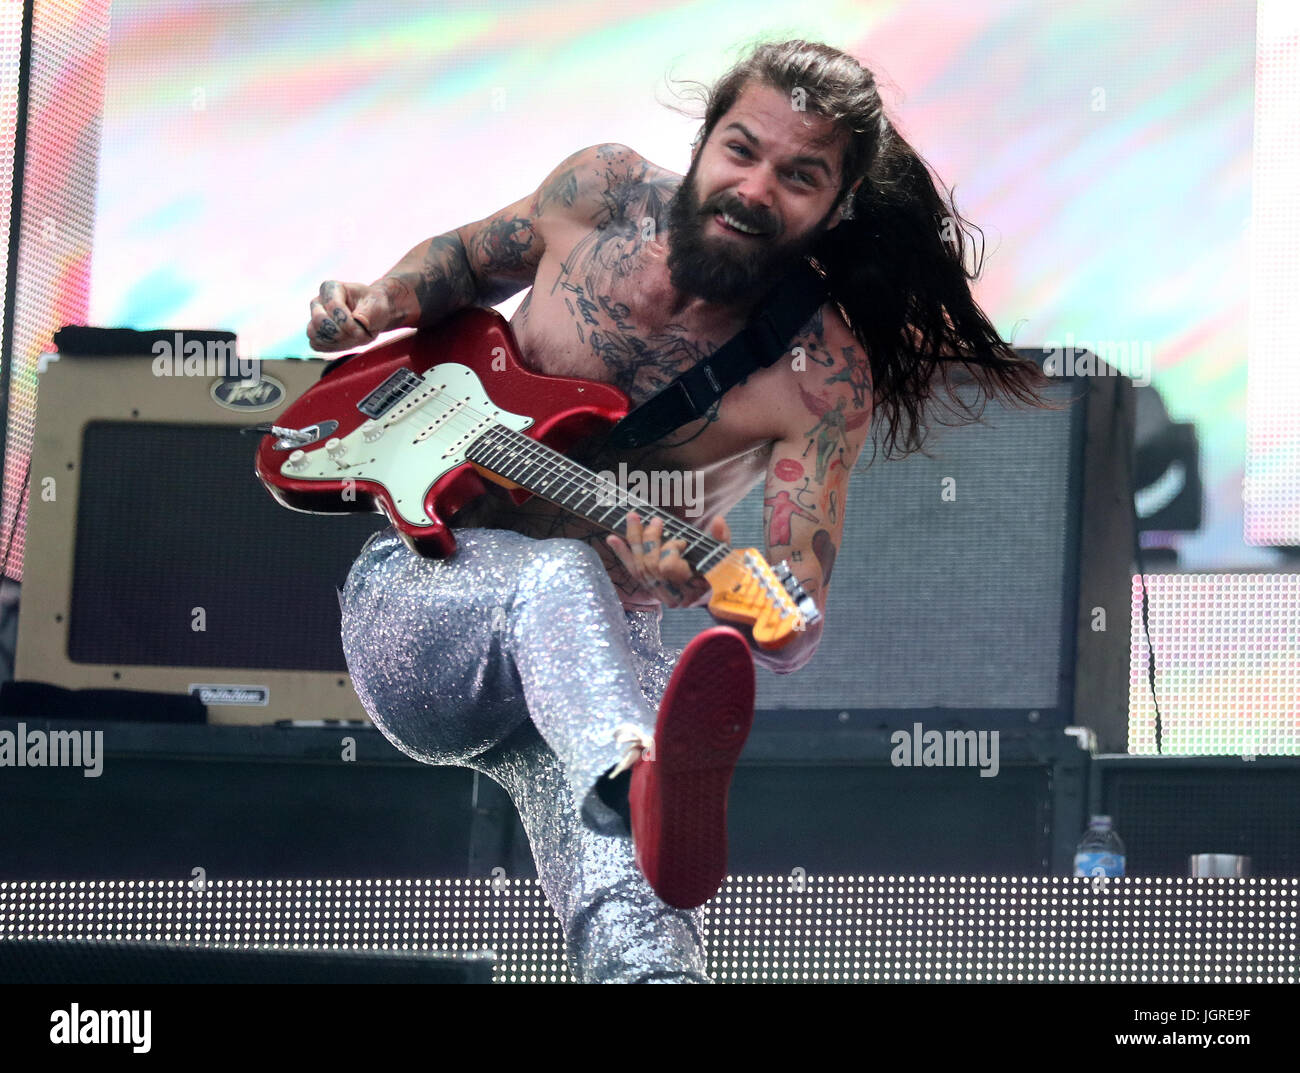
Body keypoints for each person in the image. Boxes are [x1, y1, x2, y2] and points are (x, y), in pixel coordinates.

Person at [309, 39, 1053, 984]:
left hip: (591, 679)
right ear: (704, 138)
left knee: (642, 934)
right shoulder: (597, 193)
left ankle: (637, 812)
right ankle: (635, 770)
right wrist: (372, 306)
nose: (754, 187)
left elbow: (793, 607)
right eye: (742, 150)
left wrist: (716, 589)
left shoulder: (818, 379)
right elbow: (461, 261)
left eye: (800, 175)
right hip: (420, 608)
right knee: (563, 577)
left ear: (839, 206)